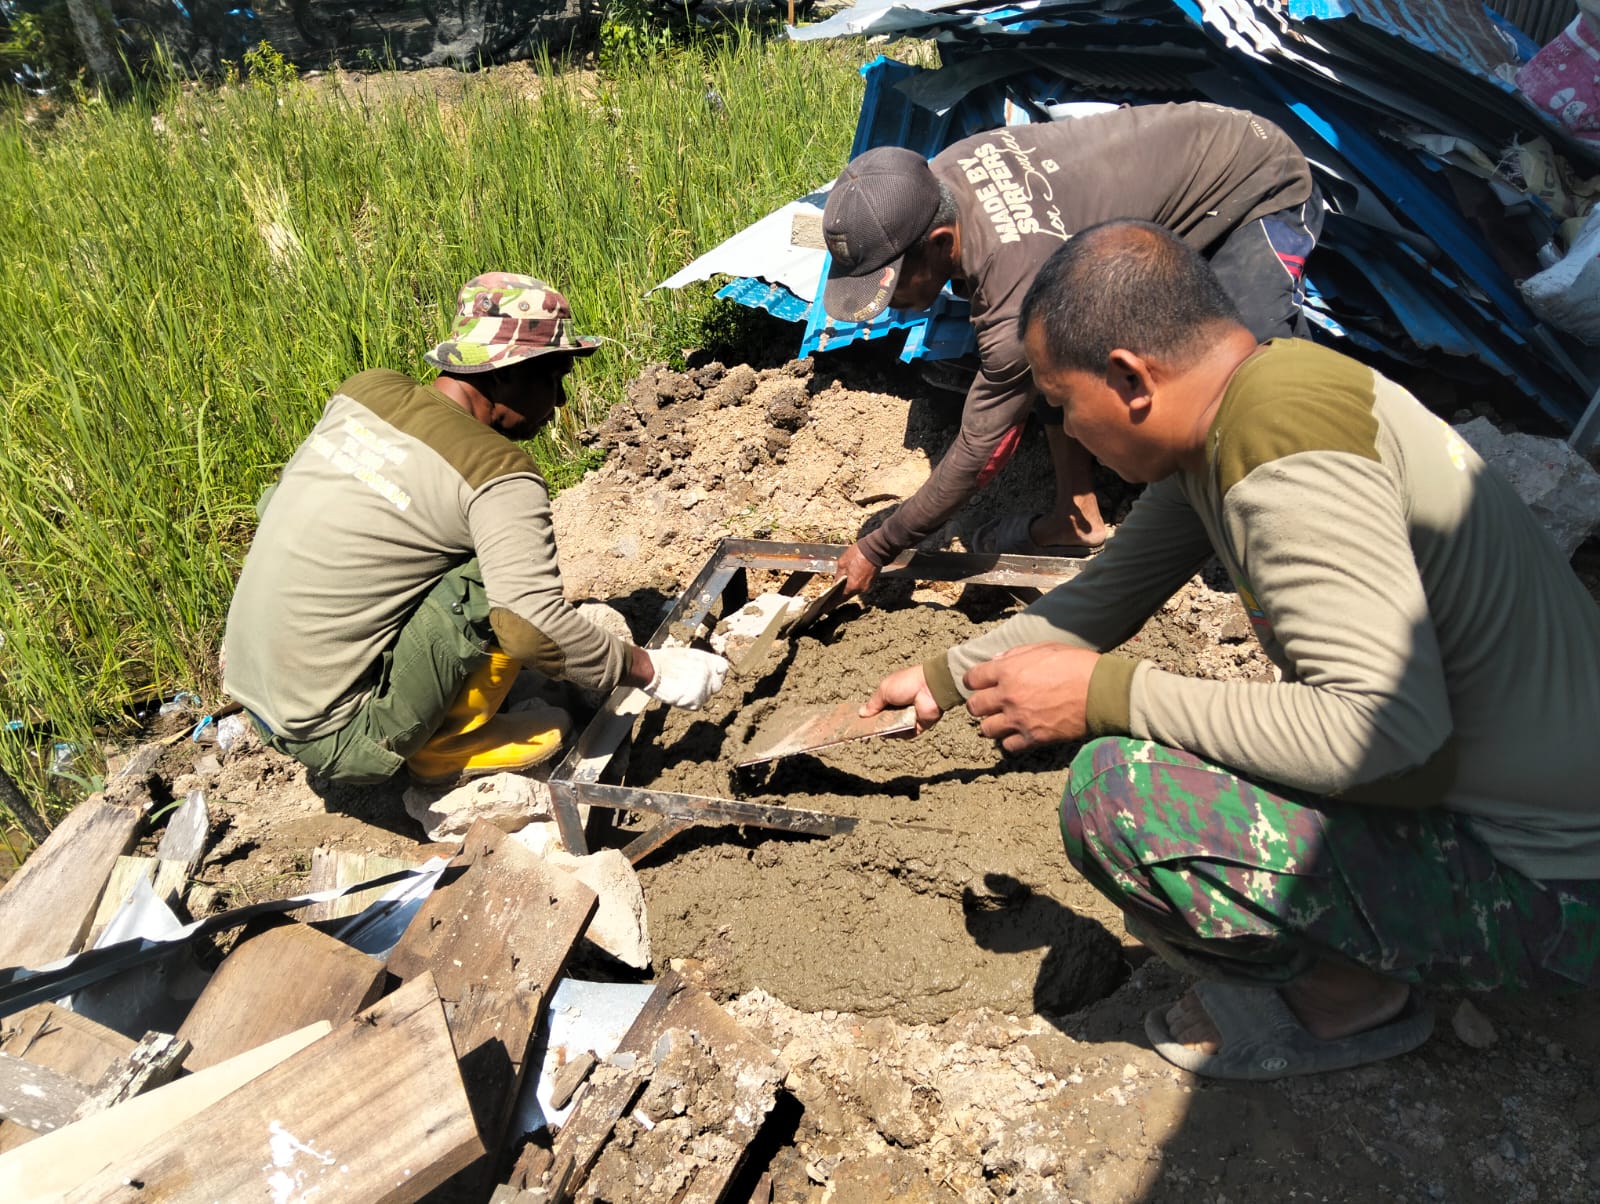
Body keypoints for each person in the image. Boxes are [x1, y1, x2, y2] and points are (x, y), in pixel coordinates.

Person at [861, 221, 1600, 1079]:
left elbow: (1387, 731)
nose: (1066, 428)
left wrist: (1107, 694)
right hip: (1500, 797)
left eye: (1062, 404)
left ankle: (1349, 1000)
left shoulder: (1281, 456)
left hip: (1553, 883)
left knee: (1121, 797)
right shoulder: (1251, 408)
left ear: (1131, 379)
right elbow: (1104, 598)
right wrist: (943, 678)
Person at [224, 273, 729, 786]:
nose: (558, 401)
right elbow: (530, 627)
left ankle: (422, 696)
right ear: (507, 371)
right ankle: (444, 743)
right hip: (343, 737)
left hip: (254, 694)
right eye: (553, 377)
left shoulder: (367, 391)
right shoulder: (498, 473)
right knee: (495, 581)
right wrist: (651, 671)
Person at [820, 102, 1322, 597]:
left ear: (938, 242)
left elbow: (981, 450)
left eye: (892, 284)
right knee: (1047, 349)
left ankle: (1307, 536)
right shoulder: (941, 179)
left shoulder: (1014, 277)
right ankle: (1075, 514)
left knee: (1249, 377)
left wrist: (881, 545)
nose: (889, 303)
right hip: (1162, 187)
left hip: (1254, 179)